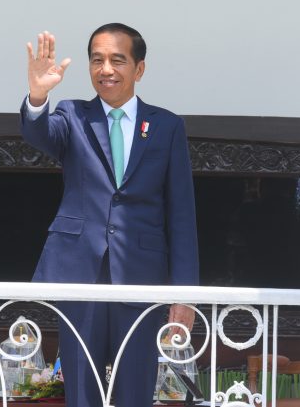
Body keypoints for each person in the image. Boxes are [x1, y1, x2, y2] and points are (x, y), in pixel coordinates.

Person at [20, 24, 199, 407]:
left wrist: (185, 292)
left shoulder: (167, 126)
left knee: (136, 387)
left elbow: (182, 213)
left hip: (141, 273)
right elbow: (40, 134)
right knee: (81, 390)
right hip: (80, 271)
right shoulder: (72, 115)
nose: (106, 69)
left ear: (140, 69)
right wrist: (38, 95)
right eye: (97, 59)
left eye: (118, 59)